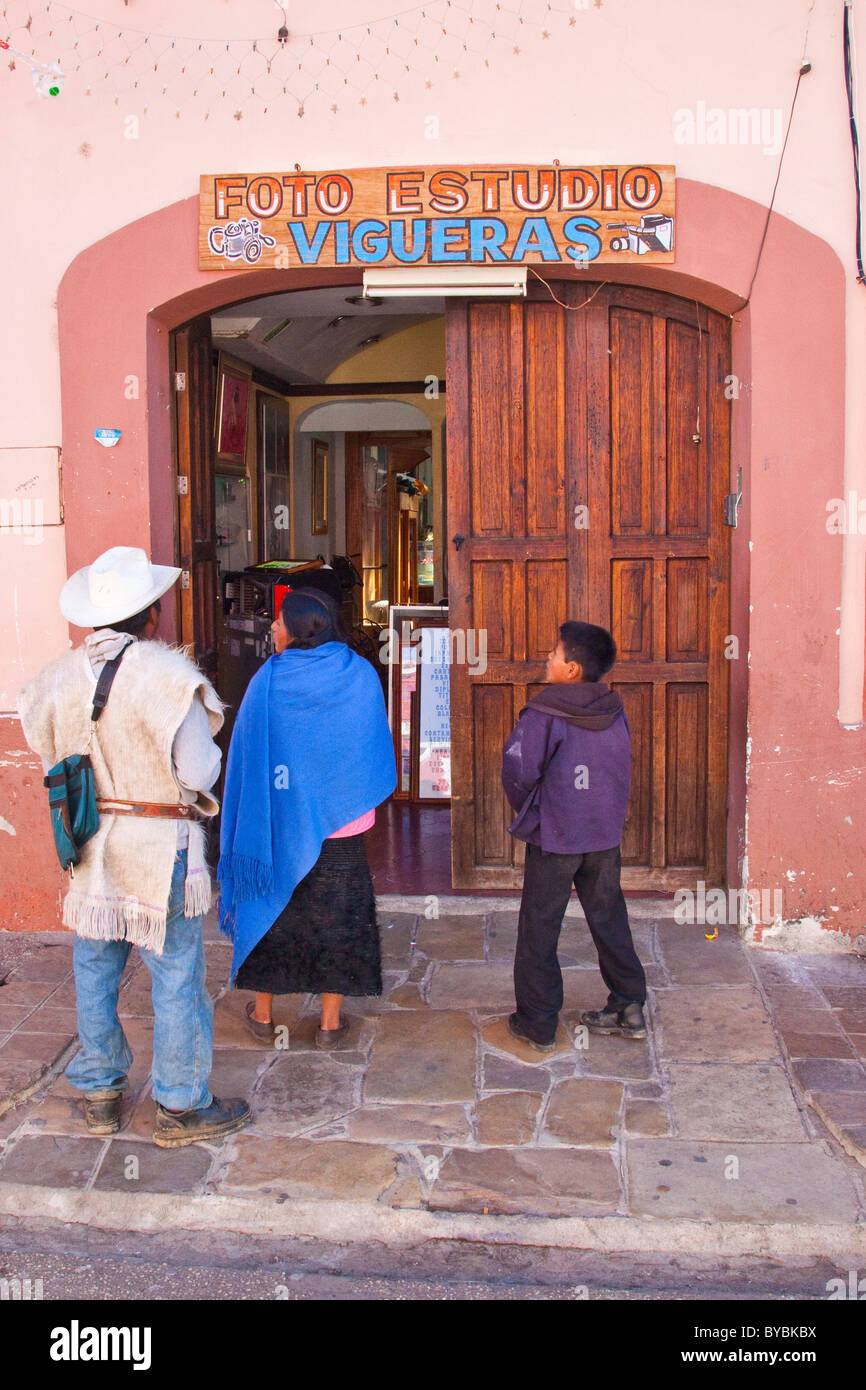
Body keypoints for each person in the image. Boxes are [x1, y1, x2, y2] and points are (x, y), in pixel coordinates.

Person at [17, 546, 251, 1147]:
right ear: (151, 615)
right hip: (158, 848)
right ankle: (179, 1106)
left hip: (91, 845)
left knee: (95, 968)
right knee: (175, 975)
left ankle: (101, 1092)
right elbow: (198, 772)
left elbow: (50, 754)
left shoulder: (56, 678)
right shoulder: (171, 679)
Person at [218, 589, 396, 1046]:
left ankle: (262, 1014)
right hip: (342, 828)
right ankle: (330, 1026)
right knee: (338, 919)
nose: (272, 628)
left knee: (276, 913)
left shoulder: (268, 680)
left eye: (278, 621)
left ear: (297, 628)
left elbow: (249, 753)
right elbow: (367, 743)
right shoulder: (358, 673)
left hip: (279, 823)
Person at [501, 620, 646, 1051]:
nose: (548, 658)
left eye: (555, 653)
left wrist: (537, 810)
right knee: (608, 915)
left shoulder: (545, 712)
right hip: (602, 832)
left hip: (557, 834)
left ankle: (537, 1022)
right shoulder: (613, 709)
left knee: (540, 926)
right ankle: (629, 1004)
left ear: (573, 670)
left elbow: (518, 770)